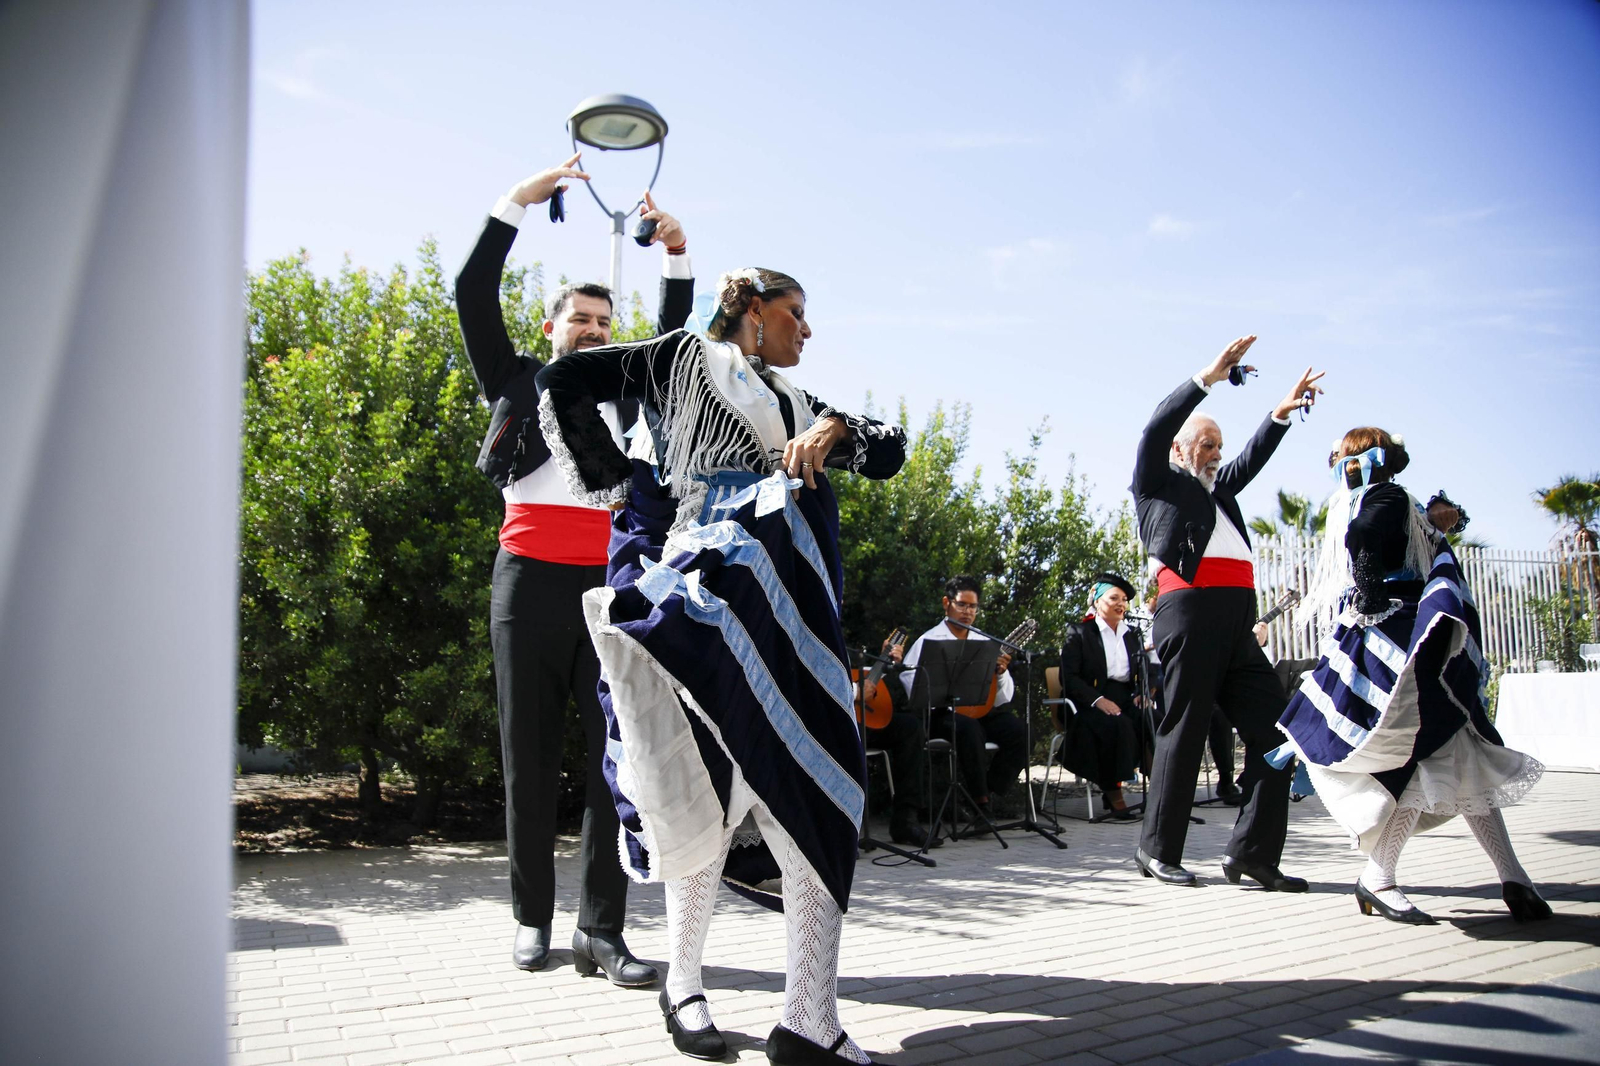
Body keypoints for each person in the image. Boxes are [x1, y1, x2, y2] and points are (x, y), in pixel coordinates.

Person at [536, 267, 905, 1064]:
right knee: (710, 793)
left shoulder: (801, 406)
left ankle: (811, 1015)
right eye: (795, 312)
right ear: (750, 307)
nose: (806, 329)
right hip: (709, 599)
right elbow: (564, 378)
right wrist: (619, 484)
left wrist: (835, 429)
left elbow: (893, 449)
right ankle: (685, 984)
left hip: (794, 607)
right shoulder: (678, 360)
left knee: (819, 787)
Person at [455, 154, 693, 981]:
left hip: (610, 592)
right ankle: (531, 919)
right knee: (527, 752)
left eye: (603, 322)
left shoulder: (628, 392)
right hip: (526, 584)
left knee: (612, 762)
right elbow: (472, 294)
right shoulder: (515, 382)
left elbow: (670, 345)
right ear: (552, 327)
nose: (593, 331)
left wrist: (675, 255)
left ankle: (603, 931)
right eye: (579, 321)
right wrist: (515, 204)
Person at [1276, 429, 1549, 924]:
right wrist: (1373, 589)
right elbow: (1366, 540)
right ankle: (1380, 878)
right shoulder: (1387, 495)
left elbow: (1401, 535)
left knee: (1458, 752)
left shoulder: (1362, 499)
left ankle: (1514, 878)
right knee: (1430, 751)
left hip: (1396, 638)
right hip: (1398, 638)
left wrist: (1442, 519)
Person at [1130, 335, 1325, 890]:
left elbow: (1250, 460)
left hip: (1239, 624)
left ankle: (1252, 855)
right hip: (1188, 615)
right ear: (1180, 449)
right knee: (1185, 731)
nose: (1217, 453)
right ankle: (1156, 850)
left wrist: (1279, 416)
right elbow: (1154, 428)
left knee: (1277, 738)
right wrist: (1207, 379)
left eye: (1220, 446)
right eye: (1207, 444)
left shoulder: (1221, 492)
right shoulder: (1158, 485)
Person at [898, 576, 1029, 821]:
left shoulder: (984, 642)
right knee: (969, 729)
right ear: (946, 603)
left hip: (981, 712)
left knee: (1020, 731)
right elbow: (909, 683)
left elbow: (1003, 698)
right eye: (962, 605)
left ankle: (990, 792)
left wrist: (1000, 674)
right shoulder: (929, 640)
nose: (967, 612)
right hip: (942, 715)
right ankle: (981, 803)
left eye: (973, 607)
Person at [1056, 573, 1147, 817]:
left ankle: (1159, 791)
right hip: (1087, 702)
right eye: (1114, 598)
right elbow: (1069, 677)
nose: (1121, 604)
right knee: (1117, 726)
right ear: (1097, 601)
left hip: (1124, 698)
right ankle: (1114, 794)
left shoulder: (1132, 635)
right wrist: (1098, 700)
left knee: (1154, 721)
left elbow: (1142, 671)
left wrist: (1142, 693)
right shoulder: (1079, 632)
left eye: (1125, 599)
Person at [860, 634, 939, 847]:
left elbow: (866, 680)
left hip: (858, 717)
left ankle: (906, 820)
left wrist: (884, 664)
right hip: (828, 721)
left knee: (910, 727)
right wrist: (855, 691)